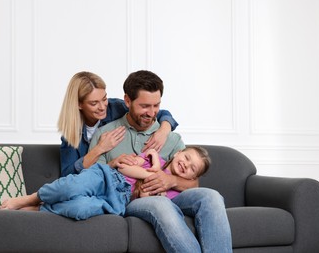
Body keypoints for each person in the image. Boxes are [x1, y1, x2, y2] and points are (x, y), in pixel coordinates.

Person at [89, 70, 232, 253]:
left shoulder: (170, 137)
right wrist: (116, 163)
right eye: (145, 106)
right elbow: (93, 176)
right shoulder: (105, 135)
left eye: (156, 105)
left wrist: (170, 181)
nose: (151, 112)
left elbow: (193, 182)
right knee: (161, 204)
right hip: (132, 199)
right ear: (127, 101)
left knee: (211, 196)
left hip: (173, 197)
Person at [0, 146, 210, 221]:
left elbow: (148, 200)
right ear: (179, 152)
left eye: (192, 169)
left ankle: (39, 210)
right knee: (72, 187)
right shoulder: (156, 160)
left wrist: (152, 192)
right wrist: (152, 172)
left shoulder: (174, 193)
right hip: (108, 177)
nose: (186, 165)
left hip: (120, 200)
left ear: (192, 178)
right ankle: (30, 198)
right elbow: (124, 168)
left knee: (81, 209)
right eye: (187, 158)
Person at [57, 71, 179, 177]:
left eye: (104, 99)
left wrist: (164, 130)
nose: (102, 107)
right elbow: (68, 176)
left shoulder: (115, 108)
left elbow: (153, 112)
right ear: (79, 104)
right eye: (94, 103)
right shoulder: (71, 133)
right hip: (91, 179)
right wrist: (100, 148)